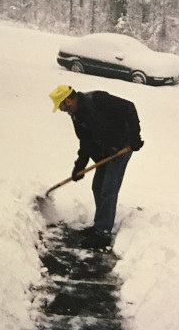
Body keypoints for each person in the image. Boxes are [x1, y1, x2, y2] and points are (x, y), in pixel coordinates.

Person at [48, 85, 144, 249]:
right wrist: (79, 167)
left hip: (122, 147)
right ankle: (99, 225)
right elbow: (85, 142)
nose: (62, 110)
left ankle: (103, 232)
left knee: (108, 189)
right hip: (106, 151)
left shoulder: (97, 100)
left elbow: (129, 107)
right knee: (97, 187)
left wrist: (135, 136)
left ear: (68, 100)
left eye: (62, 106)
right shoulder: (76, 115)